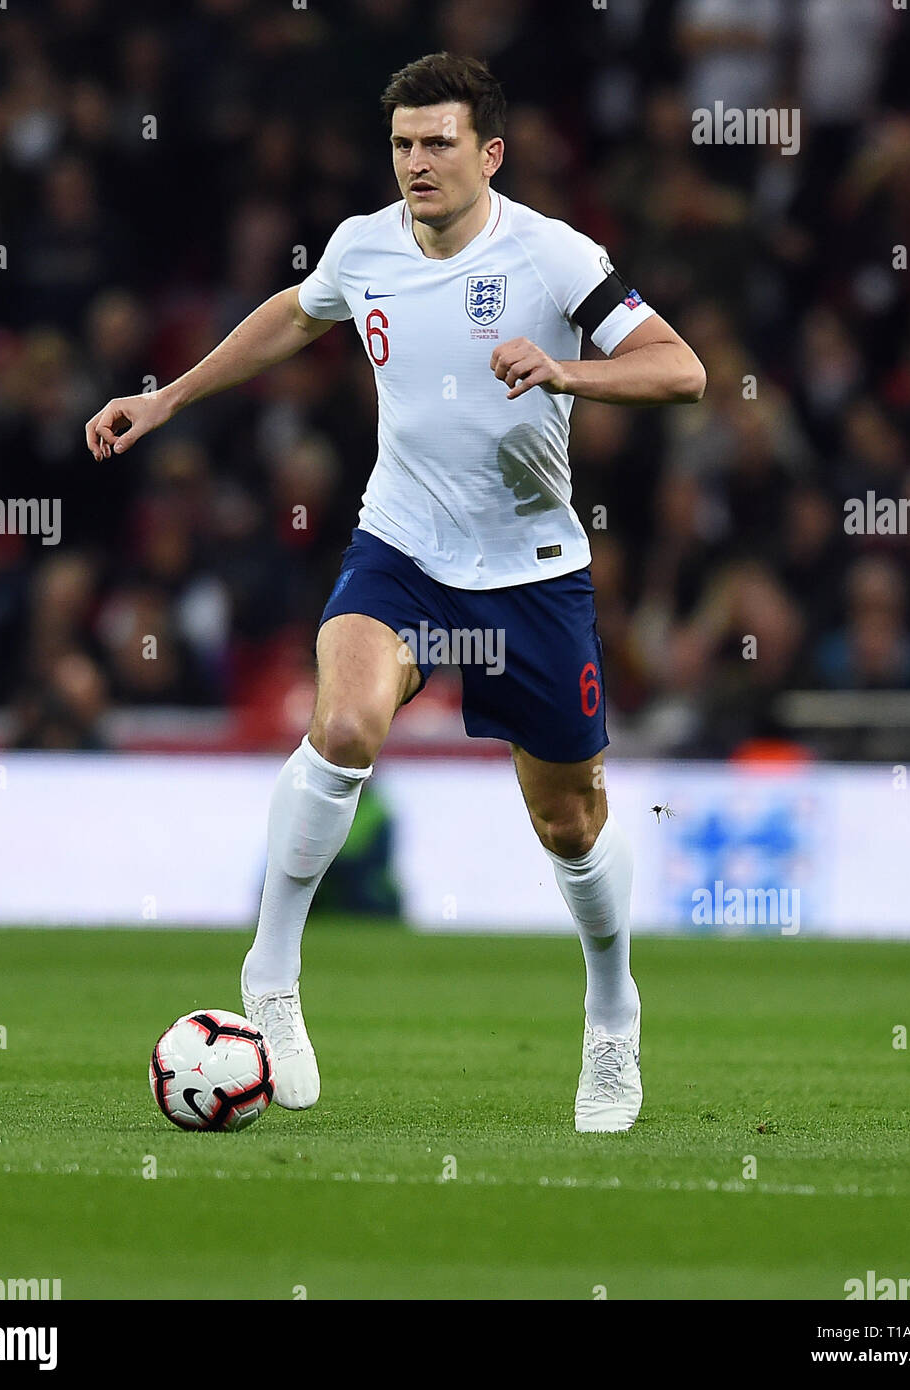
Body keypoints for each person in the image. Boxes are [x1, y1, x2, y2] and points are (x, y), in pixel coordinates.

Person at [85, 52, 705, 1131]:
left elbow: (680, 368)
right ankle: (270, 977)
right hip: (402, 549)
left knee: (568, 820)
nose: (416, 162)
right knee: (344, 722)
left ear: (489, 153)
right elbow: (297, 312)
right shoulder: (362, 244)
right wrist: (168, 396)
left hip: (530, 573)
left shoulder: (555, 257)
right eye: (403, 145)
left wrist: (568, 371)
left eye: (437, 143)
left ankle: (612, 1014)